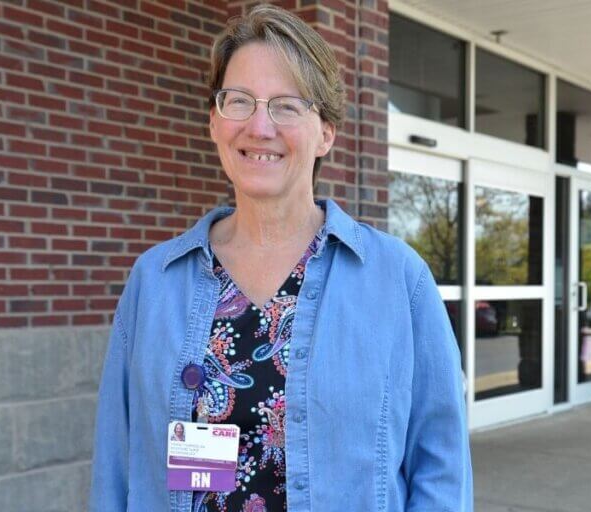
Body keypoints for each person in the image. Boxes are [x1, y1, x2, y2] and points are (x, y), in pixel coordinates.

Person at [89, 4, 472, 511]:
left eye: (287, 105)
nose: (260, 127)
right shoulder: (155, 281)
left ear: (326, 133)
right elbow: (116, 466)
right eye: (239, 101)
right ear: (213, 122)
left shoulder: (399, 280)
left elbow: (441, 468)